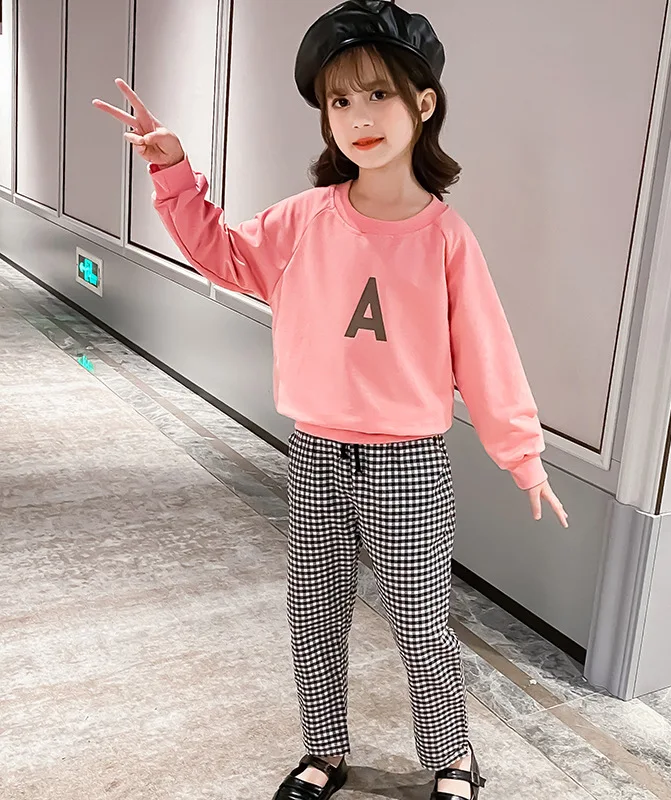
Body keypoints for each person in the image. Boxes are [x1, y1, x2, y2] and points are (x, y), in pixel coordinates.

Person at [94, 2, 568, 798]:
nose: (358, 117)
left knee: (420, 622)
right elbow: (224, 254)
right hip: (315, 454)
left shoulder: (445, 237)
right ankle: (324, 751)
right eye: (339, 100)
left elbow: (487, 355)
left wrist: (524, 457)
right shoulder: (304, 219)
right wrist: (173, 171)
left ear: (424, 103)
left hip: (408, 465)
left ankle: (453, 758)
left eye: (378, 94)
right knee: (313, 615)